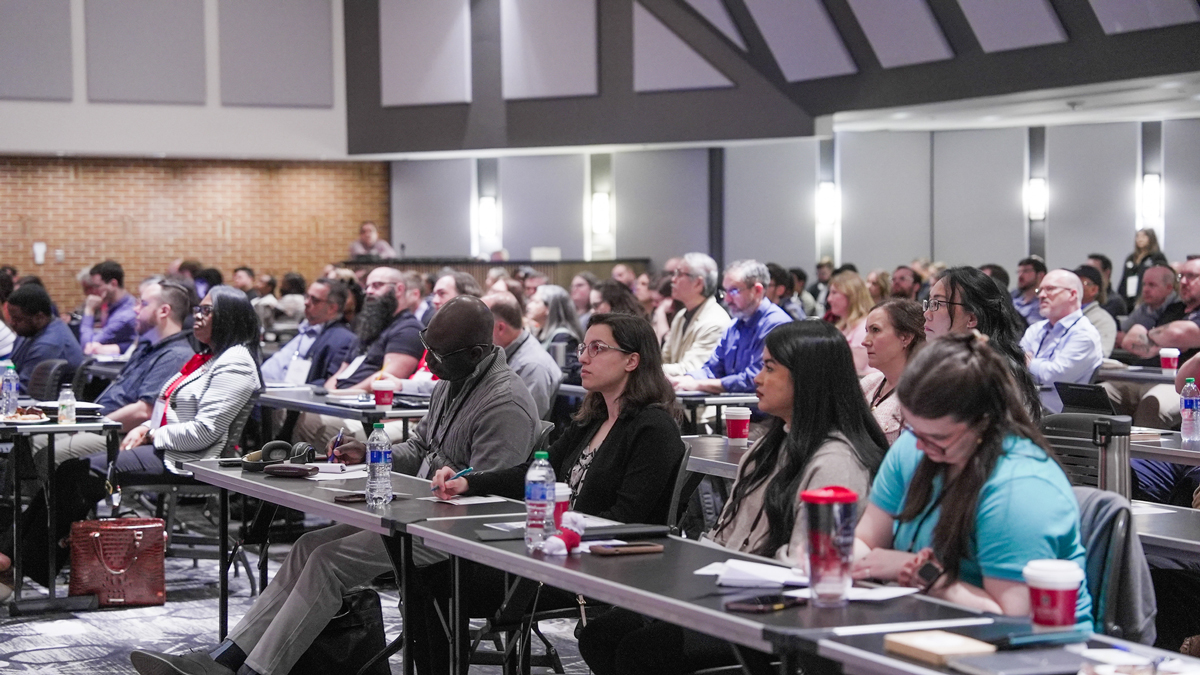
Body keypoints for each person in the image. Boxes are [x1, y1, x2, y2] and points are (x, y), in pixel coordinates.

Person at [130, 296, 538, 675]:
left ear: (475, 354)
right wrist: (371, 454)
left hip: (460, 535)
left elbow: (491, 498)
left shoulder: (504, 403)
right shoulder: (453, 380)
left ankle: (258, 671)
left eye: (439, 355)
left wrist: (432, 493)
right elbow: (418, 447)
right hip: (420, 514)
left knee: (329, 562)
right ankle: (224, 659)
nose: (428, 362)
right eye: (425, 347)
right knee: (308, 546)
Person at [578, 320, 888, 674]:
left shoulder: (837, 462)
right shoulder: (768, 448)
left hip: (771, 608)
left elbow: (807, 571)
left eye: (769, 367)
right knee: (600, 635)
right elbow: (725, 533)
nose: (756, 378)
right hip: (725, 589)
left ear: (808, 378)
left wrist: (712, 581)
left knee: (643, 651)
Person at [5, 285, 263, 593]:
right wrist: (147, 430)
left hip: (194, 460)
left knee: (82, 471)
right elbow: (170, 410)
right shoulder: (210, 358)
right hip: (172, 448)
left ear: (229, 318)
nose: (197, 316)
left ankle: (21, 564)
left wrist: (152, 433)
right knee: (72, 468)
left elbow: (205, 431)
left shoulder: (235, 362)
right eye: (198, 309)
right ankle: (16, 558)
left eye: (206, 310)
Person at [852, 333, 1092, 625]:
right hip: (929, 627)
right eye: (913, 429)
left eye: (938, 437)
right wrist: (838, 559)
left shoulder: (1020, 487)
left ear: (985, 423)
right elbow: (866, 539)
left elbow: (1012, 617)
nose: (918, 446)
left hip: (1026, 650)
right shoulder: (916, 446)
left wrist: (922, 572)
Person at [32, 278, 196, 466]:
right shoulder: (147, 347)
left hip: (122, 434)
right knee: (33, 441)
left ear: (164, 311)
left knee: (48, 453)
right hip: (103, 426)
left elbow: (144, 411)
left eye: (142, 304)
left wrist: (94, 424)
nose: (135, 310)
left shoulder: (175, 355)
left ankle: (49, 496)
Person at [923, 266, 1042, 422]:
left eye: (938, 303)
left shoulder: (994, 373)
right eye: (929, 303)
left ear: (971, 318)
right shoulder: (944, 362)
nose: (926, 313)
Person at [669, 260, 791, 394]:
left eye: (734, 291)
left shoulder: (776, 324)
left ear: (757, 290)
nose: (727, 299)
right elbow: (712, 369)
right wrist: (683, 380)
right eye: (725, 291)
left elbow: (755, 379)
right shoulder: (734, 325)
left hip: (766, 413)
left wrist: (699, 384)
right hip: (734, 410)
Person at [1019, 269, 1103, 414]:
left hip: (1055, 416)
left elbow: (1053, 376)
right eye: (1041, 290)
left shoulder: (1084, 335)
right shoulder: (1035, 329)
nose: (1041, 295)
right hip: (1025, 406)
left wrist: (1028, 361)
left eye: (1050, 289)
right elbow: (1014, 367)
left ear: (1072, 294)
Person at [260, 279, 356, 387]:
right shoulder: (304, 330)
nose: (306, 303)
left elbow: (329, 383)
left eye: (314, 300)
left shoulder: (342, 339)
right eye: (307, 297)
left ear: (332, 308)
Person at [482, 291, 561, 418]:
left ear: (500, 328)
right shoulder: (504, 351)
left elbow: (521, 424)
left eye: (480, 324)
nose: (476, 330)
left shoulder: (532, 367)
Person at [861, 299, 926, 443]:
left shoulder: (919, 396)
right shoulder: (869, 383)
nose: (865, 341)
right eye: (867, 331)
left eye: (875, 330)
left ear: (906, 337)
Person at [5, 283, 84, 394]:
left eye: (17, 319)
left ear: (39, 317)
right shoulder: (28, 332)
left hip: (39, 406)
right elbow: (9, 369)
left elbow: (22, 390)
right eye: (11, 317)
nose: (12, 323)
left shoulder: (48, 345)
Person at [661, 252, 731, 377]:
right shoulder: (681, 315)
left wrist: (647, 372)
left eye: (679, 274)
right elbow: (665, 358)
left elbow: (692, 369)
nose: (673, 279)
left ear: (698, 283)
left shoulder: (715, 321)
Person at [528, 284, 584, 385]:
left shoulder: (562, 337)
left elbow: (563, 376)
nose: (529, 306)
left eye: (535, 302)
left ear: (549, 308)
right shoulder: (540, 333)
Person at [81, 260, 138, 355]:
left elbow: (87, 346)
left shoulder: (124, 316)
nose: (94, 291)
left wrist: (89, 310)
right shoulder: (116, 305)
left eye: (97, 286)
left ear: (113, 284)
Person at [827, 270, 875, 377]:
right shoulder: (843, 325)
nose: (829, 299)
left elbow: (853, 368)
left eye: (834, 293)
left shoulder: (864, 327)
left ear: (851, 295)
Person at [1119, 264, 1179, 349]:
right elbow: (1123, 331)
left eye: (1152, 285)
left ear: (1169, 288)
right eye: (1144, 284)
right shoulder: (1144, 308)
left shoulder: (1179, 308)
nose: (1145, 290)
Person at [1119, 227, 1169, 313]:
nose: (1140, 239)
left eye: (1143, 236)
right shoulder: (1131, 258)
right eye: (1137, 236)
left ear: (1151, 238)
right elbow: (1124, 279)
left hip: (1145, 299)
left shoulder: (1157, 257)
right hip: (1128, 298)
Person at [1074, 265, 1116, 357]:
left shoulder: (1103, 320)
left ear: (1094, 290)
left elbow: (1101, 354)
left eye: (1081, 283)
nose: (1073, 287)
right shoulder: (1061, 316)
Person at [1086, 253, 1129, 320]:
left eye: (1093, 270)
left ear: (1107, 273)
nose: (1088, 275)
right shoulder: (1084, 298)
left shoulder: (1115, 302)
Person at [1011, 257, 1047, 326]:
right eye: (1019, 272)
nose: (1020, 275)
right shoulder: (1014, 299)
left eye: (1026, 271)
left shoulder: (1044, 303)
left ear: (1040, 275)